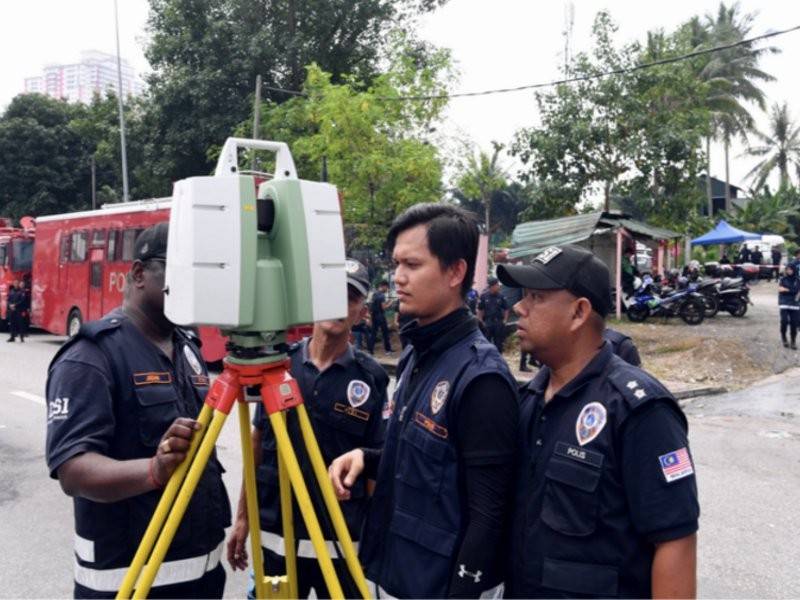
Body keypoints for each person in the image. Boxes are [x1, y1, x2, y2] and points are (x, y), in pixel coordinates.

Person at [329, 203, 519, 599]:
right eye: (396, 263)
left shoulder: (482, 378)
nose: (397, 278)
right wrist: (368, 457)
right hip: (394, 575)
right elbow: (424, 463)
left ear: (455, 272)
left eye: (412, 265)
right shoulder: (418, 352)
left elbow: (489, 514)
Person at [497, 244, 699, 599]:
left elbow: (675, 540)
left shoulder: (639, 410)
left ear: (578, 313)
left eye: (536, 297)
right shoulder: (529, 400)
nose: (519, 307)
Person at [45, 223, 231, 599]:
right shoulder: (92, 356)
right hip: (130, 581)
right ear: (139, 273)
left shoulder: (187, 347)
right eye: (178, 270)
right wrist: (153, 470)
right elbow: (73, 470)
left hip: (203, 575)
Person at [226, 258, 389, 599]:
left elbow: (376, 463)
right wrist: (243, 517)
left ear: (362, 312)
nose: (340, 305)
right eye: (331, 293)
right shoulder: (277, 368)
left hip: (340, 543)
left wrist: (375, 533)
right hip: (276, 536)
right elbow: (258, 444)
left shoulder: (371, 378)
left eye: (351, 298)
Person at [477, 276, 510, 353]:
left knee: (499, 343)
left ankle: (498, 361)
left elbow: (506, 309)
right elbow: (480, 309)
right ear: (492, 286)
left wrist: (505, 320)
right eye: (497, 285)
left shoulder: (501, 296)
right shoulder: (484, 296)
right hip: (487, 323)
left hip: (498, 323)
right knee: (486, 343)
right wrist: (481, 321)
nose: (498, 286)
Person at [367, 280, 393, 356]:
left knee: (373, 333)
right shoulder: (382, 295)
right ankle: (388, 350)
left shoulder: (374, 294)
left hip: (374, 316)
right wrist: (390, 303)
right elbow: (383, 307)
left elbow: (372, 306)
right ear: (383, 286)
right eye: (387, 287)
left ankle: (370, 350)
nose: (387, 289)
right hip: (381, 317)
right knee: (385, 333)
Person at [778, 263, 800, 349]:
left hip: (795, 304)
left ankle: (793, 341)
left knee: (794, 323)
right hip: (784, 303)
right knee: (784, 321)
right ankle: (784, 338)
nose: (789, 271)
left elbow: (797, 292)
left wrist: (786, 289)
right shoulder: (783, 279)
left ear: (794, 270)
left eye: (790, 269)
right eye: (787, 269)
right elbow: (780, 290)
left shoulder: (798, 280)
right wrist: (792, 291)